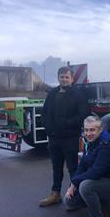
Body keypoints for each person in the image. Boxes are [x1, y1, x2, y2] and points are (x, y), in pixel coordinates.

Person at [64, 115, 110, 217]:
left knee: (85, 186)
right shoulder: (90, 142)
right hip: (99, 181)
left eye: (92, 130)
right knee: (69, 201)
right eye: (86, 130)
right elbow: (82, 166)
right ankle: (104, 208)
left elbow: (96, 172)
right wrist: (72, 184)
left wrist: (76, 182)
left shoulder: (107, 144)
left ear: (100, 130)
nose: (88, 133)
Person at [39, 66, 88, 207]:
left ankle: (76, 198)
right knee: (56, 167)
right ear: (58, 78)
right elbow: (45, 112)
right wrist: (48, 127)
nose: (64, 79)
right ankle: (55, 194)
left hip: (70, 138)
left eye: (67, 77)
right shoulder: (52, 93)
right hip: (54, 137)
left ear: (72, 79)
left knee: (73, 168)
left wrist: (66, 124)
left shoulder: (78, 94)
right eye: (62, 77)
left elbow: (83, 114)